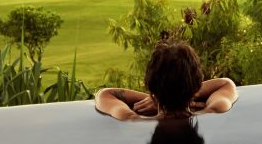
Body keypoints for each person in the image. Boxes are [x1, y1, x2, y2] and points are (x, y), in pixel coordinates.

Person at [94, 41, 237, 121]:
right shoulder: (215, 110)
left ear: (152, 86)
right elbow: (226, 83)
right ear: (196, 86)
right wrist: (187, 96)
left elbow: (104, 94)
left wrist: (158, 98)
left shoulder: (132, 119)